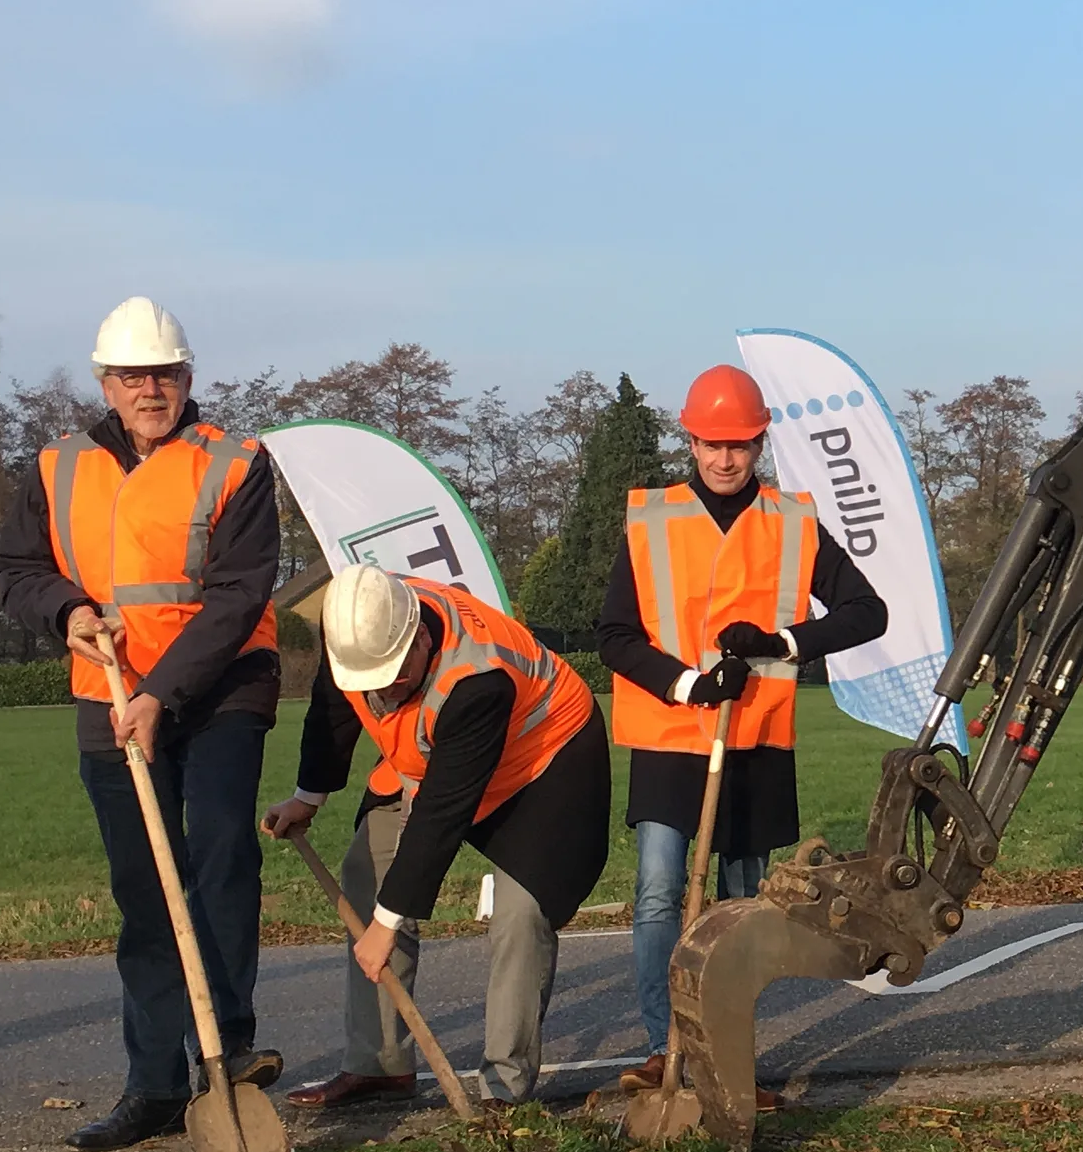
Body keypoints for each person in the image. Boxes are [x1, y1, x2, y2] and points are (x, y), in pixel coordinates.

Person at [0, 297, 283, 1151]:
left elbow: (239, 595)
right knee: (144, 887)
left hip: (221, 688)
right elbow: (17, 570)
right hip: (109, 694)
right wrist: (66, 611)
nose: (149, 390)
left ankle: (227, 1049)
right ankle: (153, 1084)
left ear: (187, 378)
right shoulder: (57, 466)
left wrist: (164, 693)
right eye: (132, 377)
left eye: (163, 375)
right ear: (106, 384)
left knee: (222, 856)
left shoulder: (235, 461)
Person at [600, 364, 888, 1089]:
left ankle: (724, 1055)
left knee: (738, 906)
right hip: (670, 736)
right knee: (660, 893)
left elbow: (867, 612)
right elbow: (614, 636)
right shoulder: (651, 521)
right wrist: (688, 683)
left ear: (759, 444)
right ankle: (663, 1045)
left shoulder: (792, 523)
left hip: (753, 739)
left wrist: (780, 642)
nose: (725, 459)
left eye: (739, 445)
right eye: (712, 444)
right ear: (691, 442)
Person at [265, 566, 611, 1107]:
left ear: (421, 637)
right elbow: (333, 710)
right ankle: (379, 1066)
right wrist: (308, 797)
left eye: (394, 676)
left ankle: (503, 1087)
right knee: (365, 872)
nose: (382, 691)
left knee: (521, 914)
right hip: (431, 757)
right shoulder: (357, 631)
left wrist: (385, 926)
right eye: (370, 681)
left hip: (541, 760)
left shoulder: (478, 677)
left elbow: (441, 815)